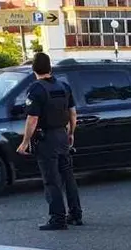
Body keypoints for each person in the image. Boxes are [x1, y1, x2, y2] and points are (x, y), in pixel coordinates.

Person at [17, 52, 83, 231]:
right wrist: (71, 133)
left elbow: (32, 119)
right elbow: (73, 113)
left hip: (47, 140)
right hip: (62, 135)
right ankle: (75, 214)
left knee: (51, 179)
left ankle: (57, 218)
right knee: (68, 177)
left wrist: (25, 142)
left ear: (33, 69)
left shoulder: (36, 89)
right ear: (50, 68)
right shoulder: (64, 86)